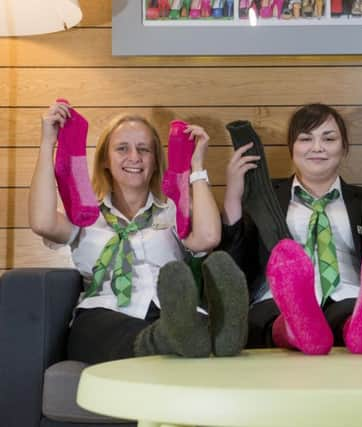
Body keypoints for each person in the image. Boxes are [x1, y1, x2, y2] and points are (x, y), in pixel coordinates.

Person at [29, 101, 247, 364]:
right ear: (106, 161)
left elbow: (208, 237)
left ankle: (203, 334)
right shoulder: (84, 215)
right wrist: (47, 143)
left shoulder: (172, 211)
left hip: (169, 310)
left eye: (144, 149)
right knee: (99, 329)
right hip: (104, 312)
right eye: (122, 148)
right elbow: (42, 222)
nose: (134, 156)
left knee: (185, 323)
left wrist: (196, 165)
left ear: (155, 162)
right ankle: (184, 340)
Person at [222, 103, 362, 354]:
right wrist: (233, 196)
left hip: (349, 295)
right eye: (305, 138)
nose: (317, 147)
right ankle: (294, 330)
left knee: (353, 313)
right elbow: (236, 258)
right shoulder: (264, 197)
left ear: (344, 148)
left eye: (329, 138)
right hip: (278, 300)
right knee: (269, 317)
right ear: (292, 148)